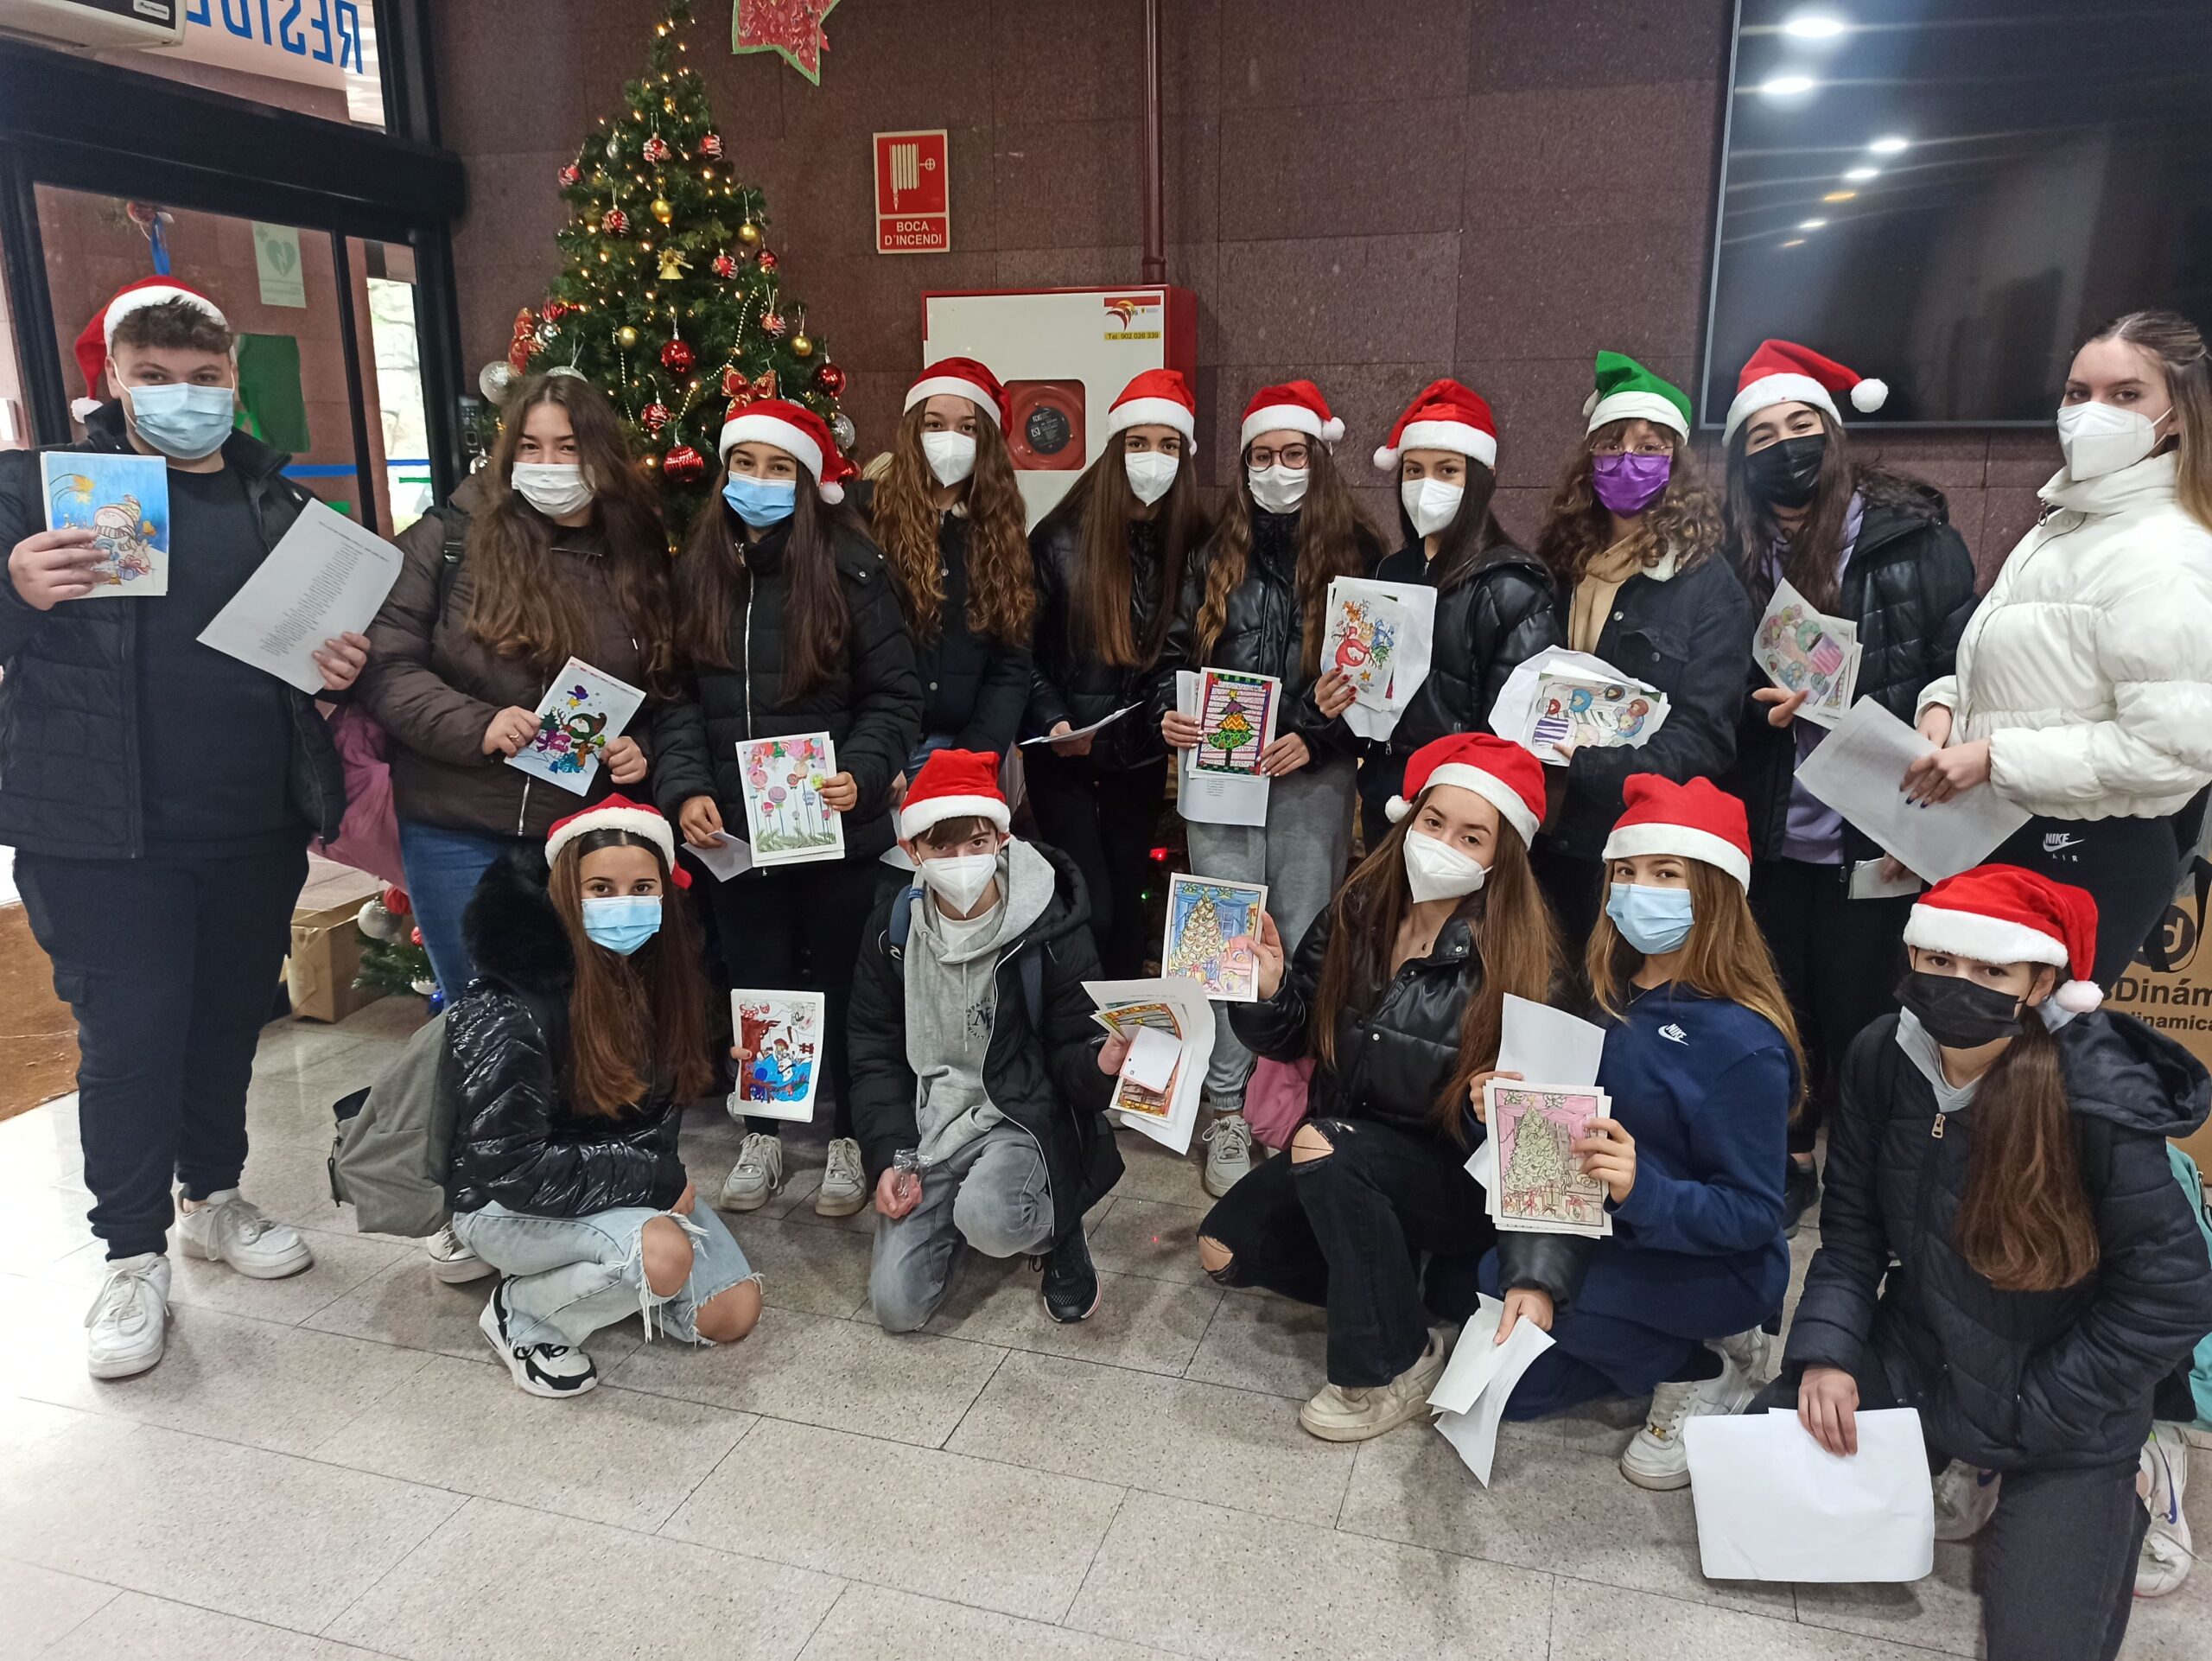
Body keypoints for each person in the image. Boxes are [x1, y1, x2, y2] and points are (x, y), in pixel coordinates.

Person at [0, 279, 367, 1379]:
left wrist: (337, 667)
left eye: (204, 377)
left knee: (224, 1024)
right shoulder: (41, 492)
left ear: (233, 382)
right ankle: (130, 1254)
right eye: (154, 376)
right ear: (112, 380)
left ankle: (213, 1197)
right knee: (130, 1037)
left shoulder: (276, 504)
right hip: (104, 832)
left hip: (251, 822)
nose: (182, 396)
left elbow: (308, 655)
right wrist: (14, 586)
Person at [1771, 864, 2212, 1659]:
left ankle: (2138, 1474)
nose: (1957, 984)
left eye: (1991, 970)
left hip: (2064, 1389)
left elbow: (2172, 1295)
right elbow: (1853, 1234)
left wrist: (2038, 1411)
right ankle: (1962, 1455)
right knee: (1771, 1462)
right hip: (1925, 1344)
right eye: (1940, 960)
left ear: (2042, 982)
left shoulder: (2093, 1092)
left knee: (2039, 1645)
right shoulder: (1881, 1054)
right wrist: (1828, 1355)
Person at [1198, 735, 1565, 1441]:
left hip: (1449, 1179)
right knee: (1224, 1250)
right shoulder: (1360, 909)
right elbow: (1299, 1038)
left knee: (1328, 1148)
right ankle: (1402, 1286)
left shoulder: (1528, 960)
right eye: (1433, 822)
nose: (1442, 845)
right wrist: (1268, 994)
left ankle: (1396, 1361)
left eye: (1472, 836)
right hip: (1340, 1151)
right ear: (1408, 819)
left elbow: (1545, 1149)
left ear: (1501, 857)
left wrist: (1534, 1269)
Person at [1717, 338, 1981, 1234]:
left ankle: (1869, 1186)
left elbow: (1961, 671)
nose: (1784, 447)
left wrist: (1871, 707)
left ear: (1832, 434)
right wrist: (1757, 708)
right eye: (1760, 436)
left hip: (1878, 833)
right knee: (1776, 1013)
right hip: (1770, 838)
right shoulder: (1730, 556)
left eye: (1800, 425)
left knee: (1870, 1019)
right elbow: (1710, 691)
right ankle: (1788, 1158)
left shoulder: (1917, 541)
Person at [1484, 773, 1801, 1491]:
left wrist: (1644, 1189)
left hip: (1714, 1260)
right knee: (1509, 1352)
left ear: (1715, 893)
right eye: (1624, 872)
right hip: (1603, 1230)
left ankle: (1701, 1370)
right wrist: (1505, 1105)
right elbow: (1567, 1121)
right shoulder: (1605, 993)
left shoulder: (1745, 1044)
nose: (1636, 890)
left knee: (1543, 1299)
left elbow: (1756, 1212)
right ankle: (1645, 1349)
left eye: (1665, 873)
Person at [656, 398, 922, 1218]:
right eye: (745, 464)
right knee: (758, 981)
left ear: (808, 483)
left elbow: (894, 697)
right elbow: (674, 699)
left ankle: (847, 1134)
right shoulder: (697, 572)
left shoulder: (853, 569)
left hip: (832, 824)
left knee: (845, 980)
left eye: (779, 468)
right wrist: (686, 788)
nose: (759, 481)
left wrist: (863, 773)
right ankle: (766, 1130)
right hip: (736, 834)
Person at [1908, 310, 2212, 986]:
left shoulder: (2172, 551)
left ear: (2180, 415)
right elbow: (2024, 670)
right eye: (2078, 393)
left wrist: (1995, 757)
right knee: (1955, 1040)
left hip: (2086, 851)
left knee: (2031, 1052)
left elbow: (2171, 751)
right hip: (2002, 833)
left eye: (2125, 395)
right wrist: (1945, 707)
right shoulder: (2066, 525)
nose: (2091, 413)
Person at [361, 370, 675, 1004]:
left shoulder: (639, 557)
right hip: (455, 822)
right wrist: (477, 724)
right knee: (484, 1018)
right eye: (531, 447)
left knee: (586, 1014)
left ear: (600, 456)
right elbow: (386, 666)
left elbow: (671, 687)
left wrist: (641, 746)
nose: (548, 465)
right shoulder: (447, 539)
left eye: (568, 447)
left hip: (582, 832)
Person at [445, 797, 761, 1397]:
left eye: (643, 888)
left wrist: (723, 1064)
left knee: (728, 1313)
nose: (625, 904)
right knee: (661, 1258)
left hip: (620, 1179)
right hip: (504, 1202)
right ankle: (524, 1314)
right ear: (566, 890)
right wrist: (655, 1184)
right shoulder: (511, 1003)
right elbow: (508, 1166)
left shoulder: (658, 975)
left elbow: (639, 1094)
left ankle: (618, 1275)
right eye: (600, 888)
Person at [1155, 379, 1384, 1196]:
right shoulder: (1213, 551)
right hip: (1220, 778)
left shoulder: (1360, 551)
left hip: (1312, 779)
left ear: (1319, 460)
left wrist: (1316, 735)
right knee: (1220, 938)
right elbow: (1173, 659)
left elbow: (1375, 685)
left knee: (1302, 935)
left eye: (1293, 455)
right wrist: (1170, 711)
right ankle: (1224, 1108)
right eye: (1262, 456)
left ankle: (1285, 1103)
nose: (1277, 470)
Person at [847, 749, 1123, 1329]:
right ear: (912, 850)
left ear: (1000, 837)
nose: (961, 861)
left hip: (1019, 1113)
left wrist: (1102, 1062)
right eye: (941, 848)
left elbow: (1072, 1047)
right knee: (897, 1308)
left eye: (976, 843)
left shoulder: (1049, 923)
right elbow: (873, 1051)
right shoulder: (892, 930)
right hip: (932, 1124)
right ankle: (960, 1210)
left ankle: (1056, 1226)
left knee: (995, 1219)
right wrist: (890, 1157)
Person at [1529, 353, 1752, 945]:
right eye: (1611, 445)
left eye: (1650, 447)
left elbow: (1706, 738)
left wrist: (1593, 766)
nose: (1628, 460)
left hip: (1632, 847)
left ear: (1676, 463)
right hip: (1540, 827)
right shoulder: (1559, 562)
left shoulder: (1708, 586)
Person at [1025, 369, 1208, 979]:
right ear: (1114, 449)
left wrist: (1165, 716)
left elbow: (1181, 655)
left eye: (1168, 445)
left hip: (1138, 756)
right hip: (1063, 756)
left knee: (1130, 905)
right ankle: (1074, 1023)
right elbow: (1020, 651)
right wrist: (1054, 720)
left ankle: (1124, 1023)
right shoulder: (1057, 539)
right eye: (1138, 443)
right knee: (1091, 908)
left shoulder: (1194, 543)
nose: (1152, 459)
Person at [1360, 379, 1560, 845]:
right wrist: (1338, 702)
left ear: (1479, 479)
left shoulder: (1513, 587)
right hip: (1383, 797)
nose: (1426, 485)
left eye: (1447, 470)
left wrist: (1447, 797)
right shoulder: (1390, 571)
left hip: (1461, 816)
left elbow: (1512, 736)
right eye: (1413, 470)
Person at [855, 359, 1034, 768]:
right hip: (871, 745)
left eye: (968, 428)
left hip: (960, 747)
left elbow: (1011, 665)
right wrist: (872, 755)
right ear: (912, 432)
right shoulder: (864, 514)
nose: (949, 439)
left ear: (986, 440)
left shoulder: (1002, 533)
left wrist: (971, 757)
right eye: (934, 425)